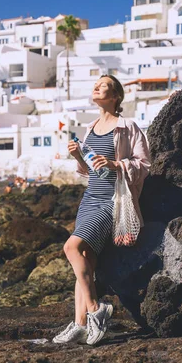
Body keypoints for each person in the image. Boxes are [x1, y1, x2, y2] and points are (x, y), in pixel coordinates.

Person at [52, 75, 151, 346]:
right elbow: (89, 170)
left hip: (112, 201)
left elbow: (144, 164)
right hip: (89, 198)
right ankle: (80, 324)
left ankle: (96, 309)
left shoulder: (127, 126)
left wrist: (116, 163)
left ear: (116, 95)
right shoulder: (91, 127)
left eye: (103, 84)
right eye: (95, 83)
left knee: (71, 248)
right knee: (85, 258)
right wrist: (77, 156)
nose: (96, 86)